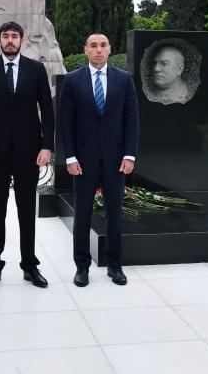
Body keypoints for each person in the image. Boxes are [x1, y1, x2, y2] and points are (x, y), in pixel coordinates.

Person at [0, 21, 55, 289]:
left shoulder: (36, 69)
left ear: (21, 40)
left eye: (14, 36)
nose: (9, 40)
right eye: (5, 36)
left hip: (29, 152)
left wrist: (46, 145)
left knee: (26, 210)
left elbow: (47, 111)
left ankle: (30, 266)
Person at [60, 33, 139, 287]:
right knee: (82, 214)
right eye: (93, 46)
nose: (98, 50)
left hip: (116, 160)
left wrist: (129, 154)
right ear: (85, 50)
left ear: (109, 49)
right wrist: (70, 156)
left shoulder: (124, 80)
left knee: (114, 214)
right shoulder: (72, 81)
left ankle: (115, 266)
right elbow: (66, 122)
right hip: (83, 160)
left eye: (102, 45)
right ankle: (81, 267)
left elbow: (131, 119)